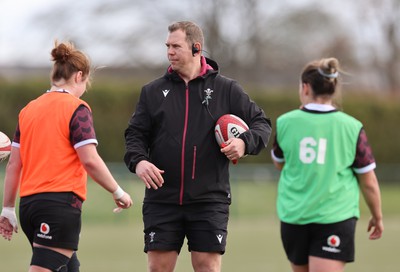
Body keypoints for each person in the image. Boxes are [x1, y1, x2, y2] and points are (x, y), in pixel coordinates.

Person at [124, 21, 271, 272]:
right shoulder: (152, 92)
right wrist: (139, 161)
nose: (169, 52)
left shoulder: (227, 89)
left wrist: (243, 143)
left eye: (176, 46)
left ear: (196, 48)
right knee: (158, 267)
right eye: (167, 46)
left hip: (209, 199)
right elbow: (135, 134)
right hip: (162, 198)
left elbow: (262, 124)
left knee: (207, 267)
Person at [0, 40, 133, 272]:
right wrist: (118, 191)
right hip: (59, 205)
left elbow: (14, 164)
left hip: (29, 206)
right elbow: (89, 159)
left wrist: (8, 208)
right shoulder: (77, 108)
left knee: (69, 268)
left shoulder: (28, 109)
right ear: (79, 75)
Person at [271, 57, 384, 272]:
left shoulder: (285, 122)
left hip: (293, 217)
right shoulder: (352, 127)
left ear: (305, 87)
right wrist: (377, 216)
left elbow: (280, 163)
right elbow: (368, 181)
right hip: (335, 216)